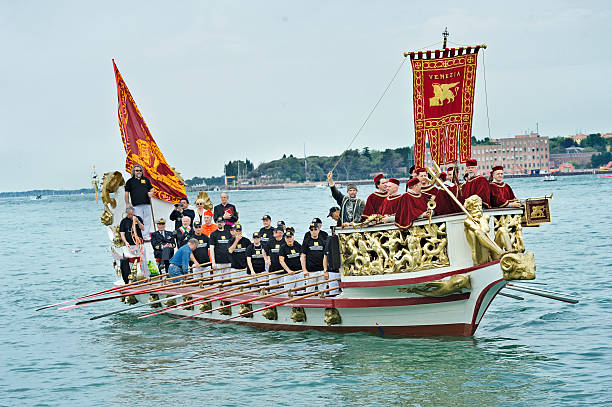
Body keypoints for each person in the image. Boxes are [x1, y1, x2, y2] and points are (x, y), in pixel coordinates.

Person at [124, 164, 155, 238]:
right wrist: (127, 204)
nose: (139, 172)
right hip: (136, 205)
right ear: (134, 172)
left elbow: (152, 189)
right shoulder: (130, 181)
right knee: (138, 220)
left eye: (140, 170)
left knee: (147, 220)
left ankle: (146, 235)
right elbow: (126, 193)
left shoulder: (146, 180)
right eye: (137, 170)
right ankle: (140, 235)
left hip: (147, 203)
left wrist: (151, 192)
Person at [119, 206, 147, 279]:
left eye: (131, 214)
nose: (130, 216)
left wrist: (137, 221)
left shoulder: (138, 218)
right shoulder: (124, 221)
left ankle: (145, 275)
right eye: (129, 214)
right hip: (130, 244)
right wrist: (125, 242)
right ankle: (132, 276)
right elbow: (122, 233)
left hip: (139, 243)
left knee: (143, 260)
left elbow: (143, 228)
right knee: (131, 261)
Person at [300, 223, 327, 293]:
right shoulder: (306, 242)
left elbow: (325, 257)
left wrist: (325, 270)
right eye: (311, 230)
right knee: (310, 290)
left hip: (321, 270)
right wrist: (304, 270)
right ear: (310, 231)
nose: (314, 231)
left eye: (315, 229)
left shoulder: (323, 242)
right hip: (310, 271)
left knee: (322, 290)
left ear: (318, 230)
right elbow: (303, 256)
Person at [266, 226, 286, 291]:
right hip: (273, 270)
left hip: (283, 271)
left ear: (282, 233)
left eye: (278, 232)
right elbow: (264, 251)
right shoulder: (270, 241)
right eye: (275, 232)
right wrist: (267, 259)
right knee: (272, 290)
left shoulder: (285, 241)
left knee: (282, 290)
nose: (276, 233)